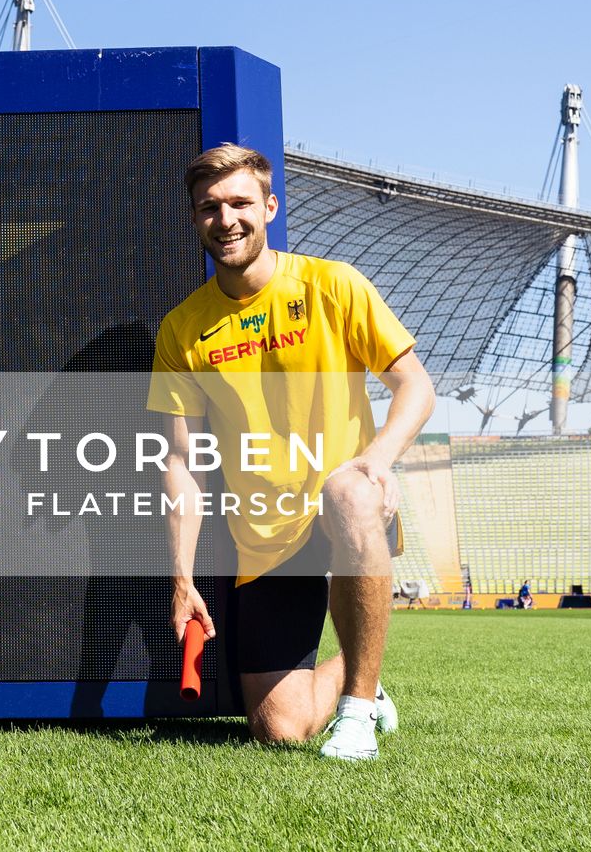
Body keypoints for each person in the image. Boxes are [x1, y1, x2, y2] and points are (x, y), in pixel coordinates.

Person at [150, 145, 435, 763]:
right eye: (210, 207)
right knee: (279, 727)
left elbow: (415, 385)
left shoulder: (334, 285)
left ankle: (357, 714)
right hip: (265, 537)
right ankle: (366, 676)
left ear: (270, 207)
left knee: (348, 490)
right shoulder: (181, 330)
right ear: (195, 218)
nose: (226, 219)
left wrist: (377, 460)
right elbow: (181, 461)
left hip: (344, 505)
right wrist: (182, 578)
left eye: (240, 203)